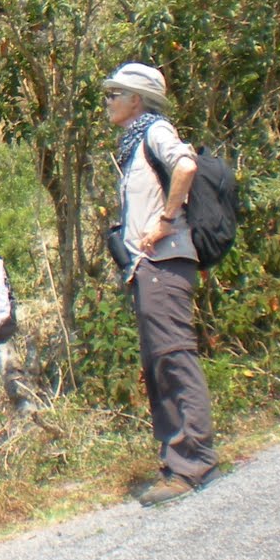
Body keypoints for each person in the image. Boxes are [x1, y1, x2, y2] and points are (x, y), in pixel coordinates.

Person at [103, 62, 220, 506]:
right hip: (148, 268)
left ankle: (194, 463)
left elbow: (185, 166)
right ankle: (177, 461)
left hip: (165, 261)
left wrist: (165, 220)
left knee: (172, 358)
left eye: (117, 94)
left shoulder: (154, 131)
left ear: (138, 100)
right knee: (158, 364)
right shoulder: (133, 143)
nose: (110, 101)